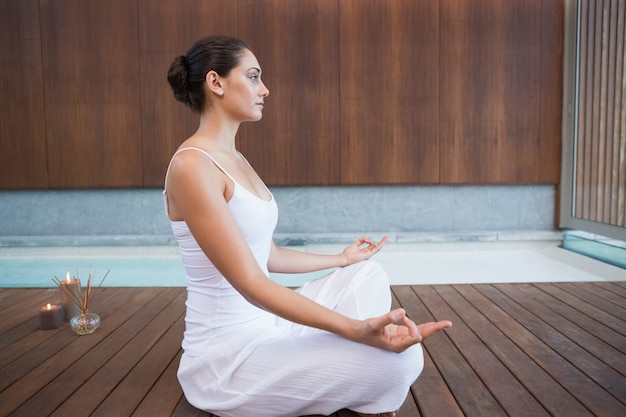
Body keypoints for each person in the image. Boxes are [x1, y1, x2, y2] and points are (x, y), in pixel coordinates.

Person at [164, 35, 451, 417]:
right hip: (230, 357)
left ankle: (347, 362)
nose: (264, 89)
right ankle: (357, 360)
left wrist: (339, 259)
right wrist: (354, 328)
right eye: (253, 77)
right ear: (215, 83)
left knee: (367, 273)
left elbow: (266, 254)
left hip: (269, 323)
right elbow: (251, 283)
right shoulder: (192, 167)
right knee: (404, 363)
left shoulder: (235, 159)